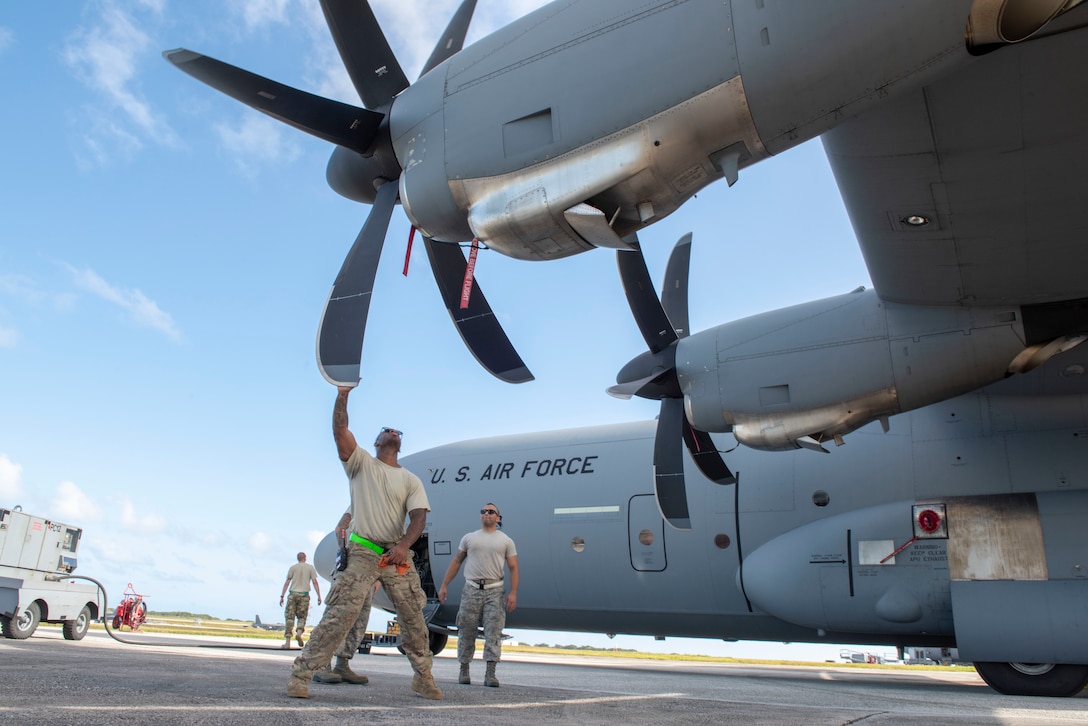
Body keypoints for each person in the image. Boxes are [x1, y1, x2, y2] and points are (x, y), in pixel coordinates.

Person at [287, 385, 441, 700]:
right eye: (387, 430)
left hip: (395, 557)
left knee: (413, 615)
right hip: (362, 552)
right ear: (377, 441)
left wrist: (403, 547)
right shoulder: (361, 465)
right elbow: (340, 429)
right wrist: (343, 393)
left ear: (400, 443)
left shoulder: (411, 480)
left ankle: (423, 677)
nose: (393, 432)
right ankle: (302, 674)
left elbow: (419, 519)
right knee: (340, 613)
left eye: (398, 431)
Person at [437, 502, 519, 687]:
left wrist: (513, 593)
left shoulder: (506, 541)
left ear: (498, 518)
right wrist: (444, 585)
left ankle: (490, 673)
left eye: (491, 512)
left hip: (494, 591)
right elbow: (457, 561)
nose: (486, 514)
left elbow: (513, 568)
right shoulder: (469, 538)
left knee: (493, 631)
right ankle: (464, 669)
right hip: (471, 589)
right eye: (483, 511)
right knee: (466, 629)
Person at [313, 512, 377, 686]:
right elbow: (340, 528)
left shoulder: (382, 512)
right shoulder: (358, 505)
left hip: (369, 573)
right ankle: (320, 664)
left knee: (359, 620)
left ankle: (342, 664)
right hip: (350, 570)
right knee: (335, 617)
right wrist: (344, 554)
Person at [279, 552, 322, 649]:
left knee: (290, 617)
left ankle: (287, 642)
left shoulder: (293, 568)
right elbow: (315, 582)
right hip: (304, 595)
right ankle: (299, 632)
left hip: (293, 594)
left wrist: (282, 595)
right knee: (302, 617)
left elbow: (287, 582)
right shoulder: (310, 568)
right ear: (305, 558)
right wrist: (319, 596)